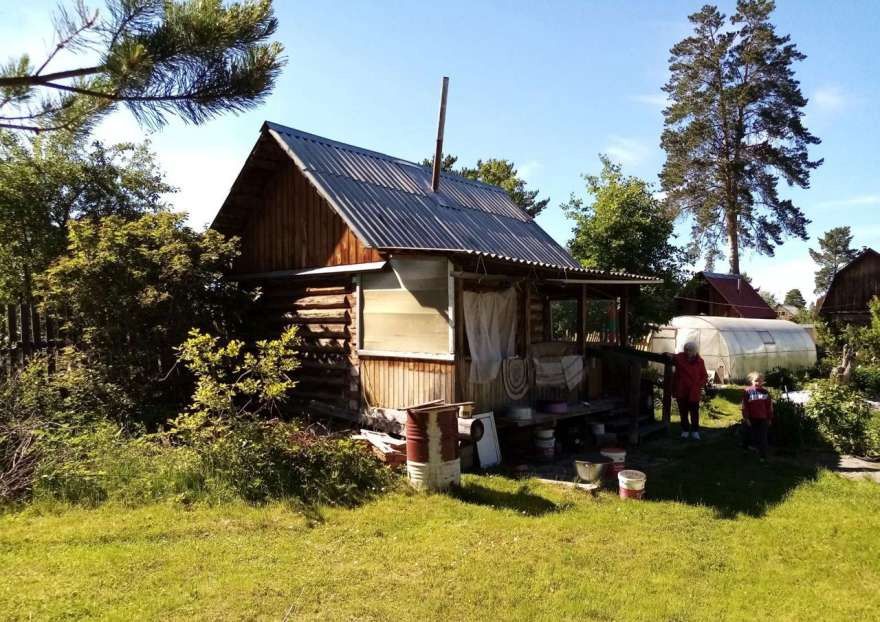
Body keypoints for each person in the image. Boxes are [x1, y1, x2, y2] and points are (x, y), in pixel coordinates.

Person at [673, 341, 708, 440]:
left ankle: (695, 431)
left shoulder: (700, 361)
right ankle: (685, 430)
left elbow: (704, 376)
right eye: (685, 349)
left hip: (693, 391)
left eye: (689, 350)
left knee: (694, 412)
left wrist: (698, 385)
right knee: (683, 411)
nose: (686, 352)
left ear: (694, 351)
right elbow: (673, 356)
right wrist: (666, 354)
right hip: (682, 389)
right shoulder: (680, 358)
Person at [741, 371, 774, 460]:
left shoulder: (765, 392)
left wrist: (769, 418)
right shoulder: (748, 392)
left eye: (760, 381)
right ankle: (746, 449)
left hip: (763, 419)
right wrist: (746, 418)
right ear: (752, 381)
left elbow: (769, 406)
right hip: (751, 418)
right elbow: (745, 406)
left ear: (763, 382)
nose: (758, 383)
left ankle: (763, 456)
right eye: (756, 381)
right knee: (749, 434)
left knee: (763, 437)